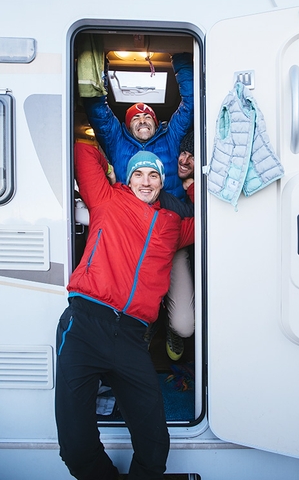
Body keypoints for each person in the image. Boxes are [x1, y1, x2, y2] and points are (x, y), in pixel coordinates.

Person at [55, 142, 194, 480]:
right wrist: (110, 168)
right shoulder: (106, 199)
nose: (145, 182)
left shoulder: (173, 224)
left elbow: (214, 219)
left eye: (153, 176)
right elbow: (81, 148)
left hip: (131, 338)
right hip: (85, 325)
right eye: (138, 174)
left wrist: (190, 181)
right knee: (75, 448)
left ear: (161, 183)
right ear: (129, 180)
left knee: (155, 446)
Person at [82, 52, 193, 199]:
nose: (142, 121)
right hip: (129, 216)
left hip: (172, 216)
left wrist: (179, 54)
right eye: (135, 118)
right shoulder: (117, 141)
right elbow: (97, 109)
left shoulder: (170, 137)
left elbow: (190, 104)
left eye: (148, 117)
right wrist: (99, 62)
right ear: (128, 127)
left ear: (156, 124)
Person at [165, 131, 195, 361]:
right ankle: (152, 320)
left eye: (193, 156)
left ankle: (170, 325)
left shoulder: (199, 185)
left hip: (181, 245)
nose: (184, 160)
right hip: (152, 242)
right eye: (183, 152)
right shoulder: (160, 180)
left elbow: (209, 216)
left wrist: (193, 188)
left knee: (185, 325)